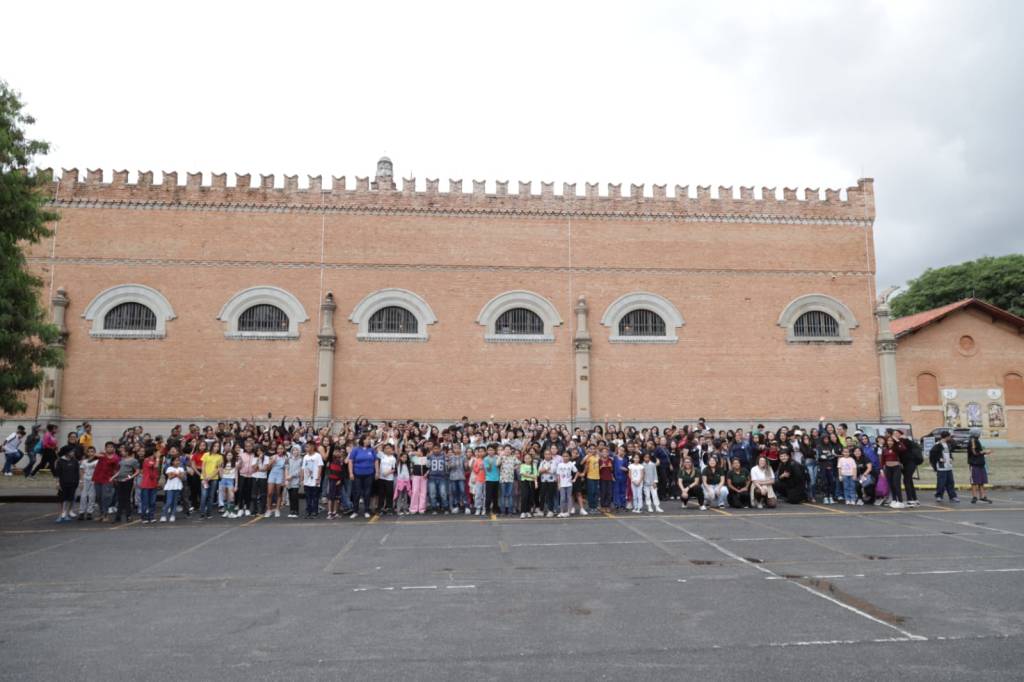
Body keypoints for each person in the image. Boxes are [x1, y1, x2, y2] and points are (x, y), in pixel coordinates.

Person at [349, 438, 378, 519]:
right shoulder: (355, 450)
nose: (368, 440)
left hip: (369, 474)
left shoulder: (371, 450)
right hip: (357, 474)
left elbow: (376, 461)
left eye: (368, 439)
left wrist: (377, 472)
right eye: (367, 439)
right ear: (362, 440)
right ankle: (355, 511)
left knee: (367, 493)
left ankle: (366, 510)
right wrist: (351, 473)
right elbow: (350, 461)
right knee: (357, 493)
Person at [929, 431, 959, 503]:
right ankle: (939, 496)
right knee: (941, 482)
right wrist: (938, 460)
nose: (950, 438)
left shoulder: (948, 444)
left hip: (949, 467)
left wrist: (951, 458)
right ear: (946, 437)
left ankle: (953, 496)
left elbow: (949, 453)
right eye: (949, 436)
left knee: (950, 482)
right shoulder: (937, 445)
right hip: (941, 467)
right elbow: (932, 455)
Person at [112, 445, 140, 522]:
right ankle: (118, 516)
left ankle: (128, 515)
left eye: (123, 451)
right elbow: (119, 471)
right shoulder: (121, 460)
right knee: (120, 498)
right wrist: (113, 477)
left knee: (127, 498)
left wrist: (130, 477)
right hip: (119, 480)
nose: (121, 452)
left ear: (127, 452)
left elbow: (137, 471)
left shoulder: (133, 460)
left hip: (127, 481)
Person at [895, 429, 921, 507]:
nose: (895, 435)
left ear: (900, 434)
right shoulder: (897, 442)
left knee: (906, 480)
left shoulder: (905, 441)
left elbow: (909, 447)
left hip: (911, 463)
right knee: (909, 481)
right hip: (904, 464)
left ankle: (910, 500)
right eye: (894, 433)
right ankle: (914, 499)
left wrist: (904, 439)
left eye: (896, 433)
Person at [54, 444, 80, 522]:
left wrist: (77, 482)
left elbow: (77, 472)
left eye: (73, 452)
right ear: (67, 452)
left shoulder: (75, 461)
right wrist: (57, 483)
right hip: (63, 483)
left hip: (73, 483)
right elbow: (58, 473)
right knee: (62, 499)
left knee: (70, 498)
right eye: (72, 452)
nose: (73, 453)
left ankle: (68, 512)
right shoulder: (60, 461)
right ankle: (62, 513)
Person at [200, 442, 224, 519]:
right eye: (215, 446)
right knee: (204, 495)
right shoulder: (206, 454)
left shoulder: (220, 457)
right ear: (212, 447)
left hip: (214, 478)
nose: (216, 448)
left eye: (218, 446)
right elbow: (203, 466)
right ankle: (202, 513)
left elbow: (218, 468)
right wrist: (205, 477)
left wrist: (210, 476)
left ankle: (209, 513)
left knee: (211, 496)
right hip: (204, 478)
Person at [967, 433, 992, 504]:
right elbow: (974, 452)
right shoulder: (972, 440)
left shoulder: (976, 440)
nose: (980, 434)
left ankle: (982, 496)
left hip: (980, 463)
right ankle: (974, 497)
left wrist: (984, 452)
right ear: (976, 433)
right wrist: (985, 452)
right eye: (979, 433)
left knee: (981, 481)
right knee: (974, 481)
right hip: (974, 464)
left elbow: (978, 452)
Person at [881, 436, 904, 509]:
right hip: (888, 468)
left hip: (896, 468)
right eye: (888, 441)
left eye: (891, 441)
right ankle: (894, 500)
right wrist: (881, 469)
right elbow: (882, 460)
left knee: (896, 484)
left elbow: (903, 448)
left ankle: (900, 501)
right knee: (891, 485)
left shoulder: (896, 448)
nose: (890, 442)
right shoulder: (885, 449)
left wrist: (897, 440)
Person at [428, 443, 451, 514]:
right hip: (432, 477)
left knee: (443, 493)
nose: (436, 450)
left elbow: (448, 465)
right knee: (432, 493)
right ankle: (434, 508)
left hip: (442, 478)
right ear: (432, 450)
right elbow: (427, 465)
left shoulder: (444, 456)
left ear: (440, 449)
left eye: (438, 448)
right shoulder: (430, 456)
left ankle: (446, 507)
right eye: (435, 449)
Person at [301, 444, 323, 519]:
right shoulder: (305, 457)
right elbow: (303, 468)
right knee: (308, 497)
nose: (306, 448)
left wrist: (318, 478)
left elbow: (320, 467)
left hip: (314, 479)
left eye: (308, 446)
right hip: (307, 480)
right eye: (306, 447)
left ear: (312, 447)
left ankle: (315, 511)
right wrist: (302, 479)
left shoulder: (317, 455)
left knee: (315, 497)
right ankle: (308, 511)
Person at [138, 451, 161, 523]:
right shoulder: (147, 460)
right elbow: (155, 466)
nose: (158, 454)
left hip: (153, 484)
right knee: (145, 502)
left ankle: (151, 516)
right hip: (146, 484)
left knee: (153, 502)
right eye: (156, 453)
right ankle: (144, 517)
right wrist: (158, 458)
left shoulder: (153, 460)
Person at [77, 446, 98, 520]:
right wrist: (81, 481)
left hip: (94, 480)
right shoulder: (84, 461)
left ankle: (89, 512)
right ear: (87, 453)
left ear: (95, 452)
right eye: (89, 451)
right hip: (85, 479)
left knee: (92, 496)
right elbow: (81, 471)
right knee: (83, 496)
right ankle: (81, 512)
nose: (91, 453)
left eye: (92, 451)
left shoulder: (97, 461)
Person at [160, 458, 184, 523]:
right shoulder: (169, 468)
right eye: (176, 461)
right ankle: (163, 515)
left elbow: (182, 477)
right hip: (170, 487)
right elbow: (170, 477)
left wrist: (174, 474)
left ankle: (172, 515)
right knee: (169, 502)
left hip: (178, 487)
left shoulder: (181, 468)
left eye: (178, 460)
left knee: (175, 502)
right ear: (172, 462)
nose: (177, 462)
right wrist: (177, 474)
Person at [556, 451, 578, 517]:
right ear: (562, 457)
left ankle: (568, 511)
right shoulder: (560, 465)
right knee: (562, 498)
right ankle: (562, 511)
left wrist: (574, 479)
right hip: (562, 484)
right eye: (564, 456)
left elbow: (577, 472)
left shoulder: (571, 464)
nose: (565, 457)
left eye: (567, 456)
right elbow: (558, 475)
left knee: (569, 498)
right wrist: (558, 484)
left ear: (569, 457)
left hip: (569, 484)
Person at [537, 448, 558, 517]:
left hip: (551, 481)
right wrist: (546, 470)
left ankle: (550, 510)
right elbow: (539, 471)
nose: (547, 455)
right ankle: (541, 510)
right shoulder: (542, 462)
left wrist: (544, 470)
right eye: (546, 454)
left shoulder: (554, 462)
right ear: (544, 455)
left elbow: (553, 471)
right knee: (542, 496)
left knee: (550, 496)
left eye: (548, 454)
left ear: (551, 455)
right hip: (543, 481)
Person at [445, 446, 465, 514]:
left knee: (462, 490)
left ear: (460, 449)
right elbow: (448, 468)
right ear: (454, 449)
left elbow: (465, 467)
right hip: (453, 477)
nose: (457, 449)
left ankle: (461, 502)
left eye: (458, 448)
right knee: (454, 491)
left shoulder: (463, 457)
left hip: (461, 476)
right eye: (455, 448)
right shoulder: (451, 457)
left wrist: (466, 465)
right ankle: (456, 504)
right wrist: (450, 465)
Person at [378, 443, 397, 515]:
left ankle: (389, 508)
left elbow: (394, 469)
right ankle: (381, 509)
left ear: (392, 449)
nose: (387, 449)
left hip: (389, 478)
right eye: (386, 448)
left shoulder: (393, 458)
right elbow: (375, 449)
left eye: (389, 448)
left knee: (389, 494)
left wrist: (387, 473)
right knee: (381, 494)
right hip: (381, 478)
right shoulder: (382, 456)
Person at [410, 446, 429, 515]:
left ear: (423, 452)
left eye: (420, 451)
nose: (419, 453)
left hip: (424, 477)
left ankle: (422, 508)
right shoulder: (414, 458)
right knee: (415, 491)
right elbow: (409, 454)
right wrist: (415, 453)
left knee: (423, 492)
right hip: (416, 477)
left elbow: (429, 468)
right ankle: (413, 508)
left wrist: (426, 474)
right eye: (418, 451)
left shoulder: (426, 459)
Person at [284, 446, 302, 518]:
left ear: (299, 451)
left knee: (295, 496)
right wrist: (286, 478)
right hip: (289, 481)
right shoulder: (288, 459)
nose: (295, 452)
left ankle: (296, 511)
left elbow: (300, 471)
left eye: (297, 450)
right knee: (290, 497)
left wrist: (291, 476)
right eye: (293, 450)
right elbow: (286, 469)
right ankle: (291, 511)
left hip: (296, 480)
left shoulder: (301, 460)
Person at [519, 452, 538, 518]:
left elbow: (535, 476)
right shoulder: (522, 465)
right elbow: (522, 473)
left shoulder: (533, 466)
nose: (527, 459)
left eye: (529, 458)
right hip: (525, 482)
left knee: (530, 497)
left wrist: (534, 481)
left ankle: (528, 511)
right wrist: (531, 476)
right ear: (524, 459)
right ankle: (523, 512)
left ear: (531, 459)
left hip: (531, 483)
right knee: (524, 496)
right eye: (526, 458)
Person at [221, 449, 240, 517]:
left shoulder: (235, 464)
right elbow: (221, 474)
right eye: (228, 455)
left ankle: (231, 512)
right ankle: (226, 511)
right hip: (223, 480)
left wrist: (236, 485)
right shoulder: (223, 463)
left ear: (233, 456)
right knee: (225, 496)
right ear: (225, 456)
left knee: (231, 496)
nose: (229, 456)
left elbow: (236, 475)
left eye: (231, 455)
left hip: (230, 480)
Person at [483, 445, 501, 516]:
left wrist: (499, 458)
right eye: (489, 450)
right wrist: (490, 463)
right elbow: (489, 469)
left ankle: (495, 510)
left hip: (496, 479)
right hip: (489, 480)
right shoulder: (486, 459)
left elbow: (499, 465)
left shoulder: (497, 457)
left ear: (495, 451)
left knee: (495, 496)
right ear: (487, 451)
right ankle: (487, 510)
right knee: (488, 496)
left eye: (492, 450)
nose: (491, 451)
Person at [470, 448, 487, 516]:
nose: (481, 453)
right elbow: (475, 470)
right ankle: (478, 508)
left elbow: (490, 470)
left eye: (482, 451)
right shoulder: (476, 461)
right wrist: (479, 468)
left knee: (485, 495)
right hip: (478, 480)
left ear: (485, 452)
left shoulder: (487, 460)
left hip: (486, 480)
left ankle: (484, 508)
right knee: (478, 495)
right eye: (479, 452)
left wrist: (485, 468)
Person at [612, 446, 629, 511]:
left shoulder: (625, 459)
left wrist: (626, 469)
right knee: (616, 491)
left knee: (623, 491)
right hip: (616, 477)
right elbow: (612, 468)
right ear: (618, 450)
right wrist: (612, 476)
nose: (621, 451)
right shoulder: (614, 458)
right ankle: (617, 505)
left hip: (623, 477)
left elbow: (628, 468)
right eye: (620, 450)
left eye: (623, 450)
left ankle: (623, 505)